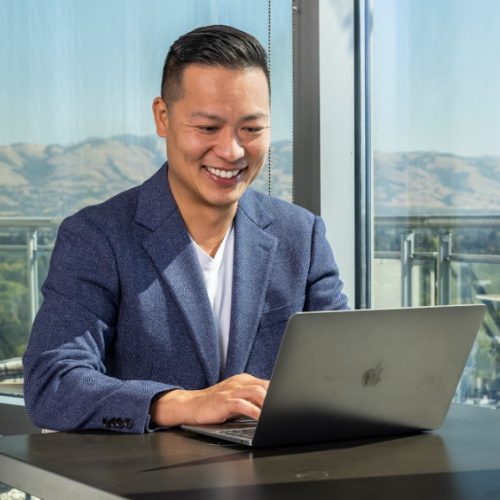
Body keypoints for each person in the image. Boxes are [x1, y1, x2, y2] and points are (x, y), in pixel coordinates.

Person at [22, 25, 348, 433]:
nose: (231, 151)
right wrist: (180, 404)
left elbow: (346, 368)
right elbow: (53, 382)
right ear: (163, 117)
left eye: (251, 129)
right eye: (208, 128)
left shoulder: (302, 234)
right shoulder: (96, 237)